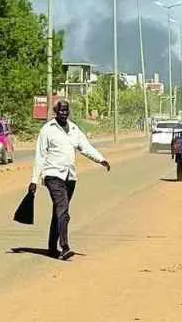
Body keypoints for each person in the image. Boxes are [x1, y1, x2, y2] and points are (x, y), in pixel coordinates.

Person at [30, 100, 110, 260]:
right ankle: (64, 246)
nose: (64, 113)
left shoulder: (74, 129)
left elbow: (85, 147)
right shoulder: (47, 130)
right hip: (53, 175)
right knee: (63, 209)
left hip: (70, 177)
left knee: (59, 212)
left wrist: (101, 159)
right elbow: (40, 156)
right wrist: (34, 180)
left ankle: (52, 247)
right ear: (56, 112)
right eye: (61, 111)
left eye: (66, 111)